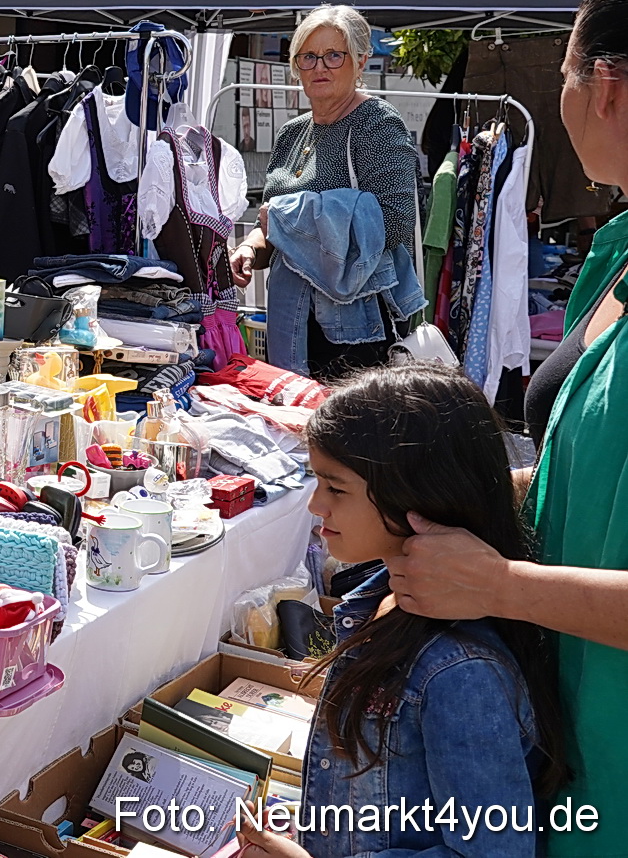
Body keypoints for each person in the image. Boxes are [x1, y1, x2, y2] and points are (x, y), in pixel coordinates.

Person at [387, 0, 628, 857]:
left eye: (561, 72)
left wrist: (497, 584)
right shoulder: (615, 254)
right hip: (562, 731)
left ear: (602, 83)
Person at [236, 363, 563, 858]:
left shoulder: (461, 672)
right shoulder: (384, 601)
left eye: (336, 488)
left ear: (420, 493)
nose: (314, 506)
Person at [230, 6, 422, 382]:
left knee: (347, 431)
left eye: (335, 55)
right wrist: (250, 247)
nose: (320, 67)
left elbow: (397, 223)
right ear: (296, 65)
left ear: (361, 60)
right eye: (308, 57)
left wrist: (298, 215)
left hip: (353, 326)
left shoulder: (376, 124)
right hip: (295, 319)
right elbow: (271, 221)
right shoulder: (292, 133)